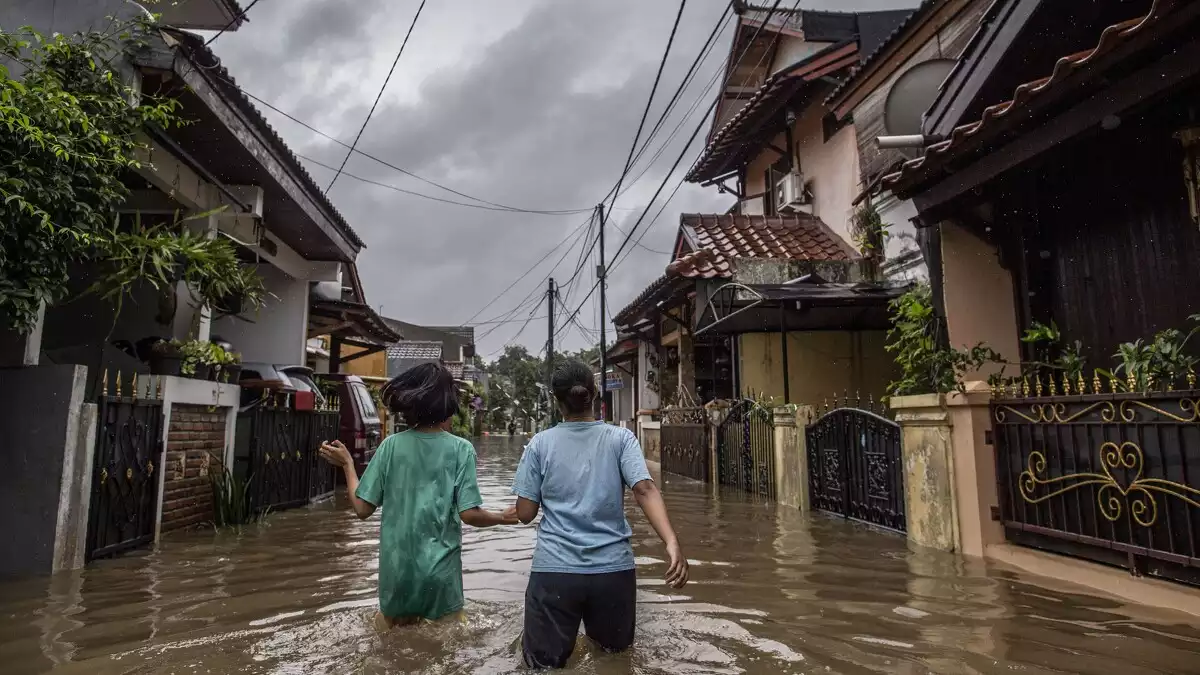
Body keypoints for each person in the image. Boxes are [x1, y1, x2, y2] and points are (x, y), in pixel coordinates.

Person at [512, 359, 688, 669]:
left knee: (542, 666)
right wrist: (671, 541)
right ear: (595, 395)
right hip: (612, 573)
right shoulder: (621, 439)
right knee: (615, 663)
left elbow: (525, 513)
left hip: (554, 573)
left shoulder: (540, 444)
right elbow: (645, 489)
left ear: (556, 400)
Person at [319, 362, 519, 629]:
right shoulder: (462, 450)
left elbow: (362, 509)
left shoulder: (390, 446)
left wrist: (347, 465)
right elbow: (469, 514)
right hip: (440, 575)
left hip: (397, 576)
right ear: (447, 405)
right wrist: (501, 518)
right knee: (446, 654)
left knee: (390, 652)